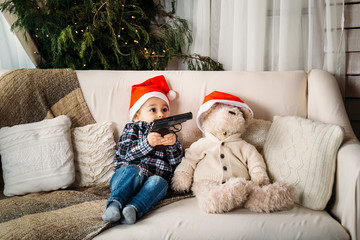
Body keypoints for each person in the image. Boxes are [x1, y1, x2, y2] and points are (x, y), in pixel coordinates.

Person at [102, 75, 184, 224]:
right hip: (126, 179)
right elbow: (126, 154)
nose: (160, 114)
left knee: (160, 182)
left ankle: (134, 209)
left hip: (152, 181)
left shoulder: (170, 133)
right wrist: (147, 143)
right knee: (133, 171)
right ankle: (114, 204)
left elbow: (176, 164)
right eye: (153, 109)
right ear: (136, 116)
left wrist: (172, 145)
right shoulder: (132, 128)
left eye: (164, 109)